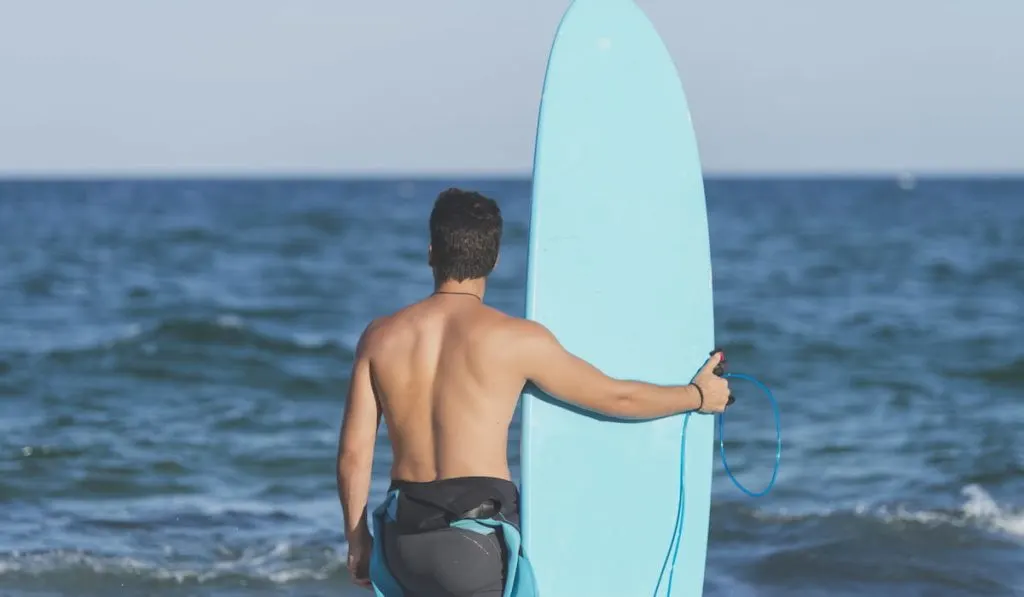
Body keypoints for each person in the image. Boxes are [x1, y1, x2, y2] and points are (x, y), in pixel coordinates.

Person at [335, 188, 732, 596]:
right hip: (473, 543)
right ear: (494, 260)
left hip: (403, 541)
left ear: (432, 252)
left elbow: (353, 453)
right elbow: (617, 398)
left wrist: (356, 540)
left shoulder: (380, 337)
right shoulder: (516, 340)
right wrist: (697, 396)